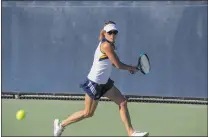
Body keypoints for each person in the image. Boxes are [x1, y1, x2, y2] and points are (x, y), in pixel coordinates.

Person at [53, 21, 149, 137]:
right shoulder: (106, 45)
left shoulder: (111, 45)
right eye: (110, 32)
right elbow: (118, 65)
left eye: (115, 32)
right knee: (88, 113)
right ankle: (61, 125)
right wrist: (132, 67)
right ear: (105, 33)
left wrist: (129, 68)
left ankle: (131, 132)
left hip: (105, 83)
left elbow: (112, 63)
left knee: (122, 102)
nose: (113, 35)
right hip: (95, 83)